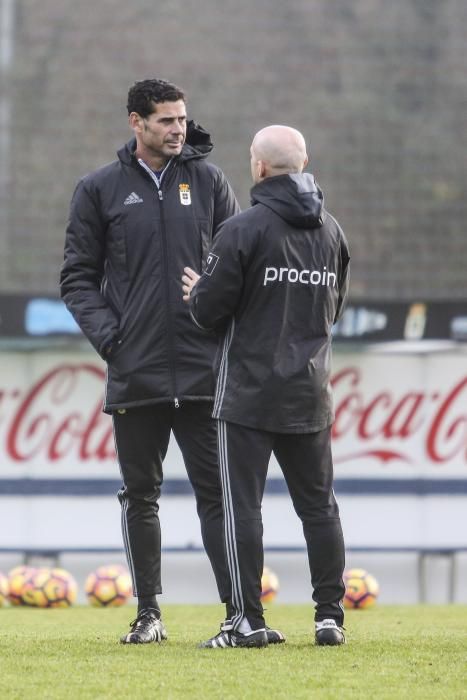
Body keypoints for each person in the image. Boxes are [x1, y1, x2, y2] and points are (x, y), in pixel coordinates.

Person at [60, 78, 245, 645]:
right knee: (141, 496)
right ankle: (148, 613)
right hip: (135, 371)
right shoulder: (99, 189)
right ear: (136, 122)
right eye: (165, 120)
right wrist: (113, 341)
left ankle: (238, 612)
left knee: (219, 496)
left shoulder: (209, 181)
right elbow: (77, 278)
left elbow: (240, 264)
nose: (177, 129)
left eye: (182, 119)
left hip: (202, 370)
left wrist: (217, 327)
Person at [182, 124, 350, 648]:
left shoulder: (243, 228)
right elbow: (334, 309)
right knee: (319, 507)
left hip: (248, 394)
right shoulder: (333, 232)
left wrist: (196, 293)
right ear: (304, 163)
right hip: (310, 392)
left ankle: (246, 621)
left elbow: (208, 312)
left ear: (258, 167)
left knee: (241, 508)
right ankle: (329, 617)